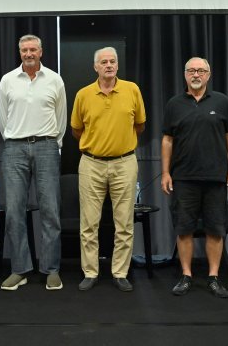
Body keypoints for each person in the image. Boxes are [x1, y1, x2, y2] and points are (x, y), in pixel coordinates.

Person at [161, 57, 228, 298]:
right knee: (184, 229)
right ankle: (186, 275)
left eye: (201, 70)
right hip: (183, 178)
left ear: (208, 74)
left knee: (215, 229)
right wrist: (165, 172)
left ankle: (214, 277)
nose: (196, 74)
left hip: (216, 178)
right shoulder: (174, 104)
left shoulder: (222, 101)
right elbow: (167, 140)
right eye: (191, 71)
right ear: (185, 75)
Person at [71, 47, 146, 292]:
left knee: (124, 222)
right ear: (95, 67)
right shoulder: (83, 95)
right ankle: (90, 272)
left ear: (117, 65)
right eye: (104, 62)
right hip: (91, 163)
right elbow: (76, 130)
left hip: (124, 163)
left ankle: (120, 272)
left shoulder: (132, 89)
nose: (109, 65)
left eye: (112, 61)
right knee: (89, 223)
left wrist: (118, 144)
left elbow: (140, 125)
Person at [0, 34, 67, 291]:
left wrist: (53, 143)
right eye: (24, 50)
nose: (29, 54)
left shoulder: (55, 80)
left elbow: (61, 118)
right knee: (14, 212)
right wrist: (15, 139)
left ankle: (51, 269)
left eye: (33, 49)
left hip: (47, 146)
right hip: (14, 148)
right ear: (20, 53)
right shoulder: (8, 81)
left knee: (50, 211)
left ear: (41, 51)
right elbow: (2, 118)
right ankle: (20, 269)